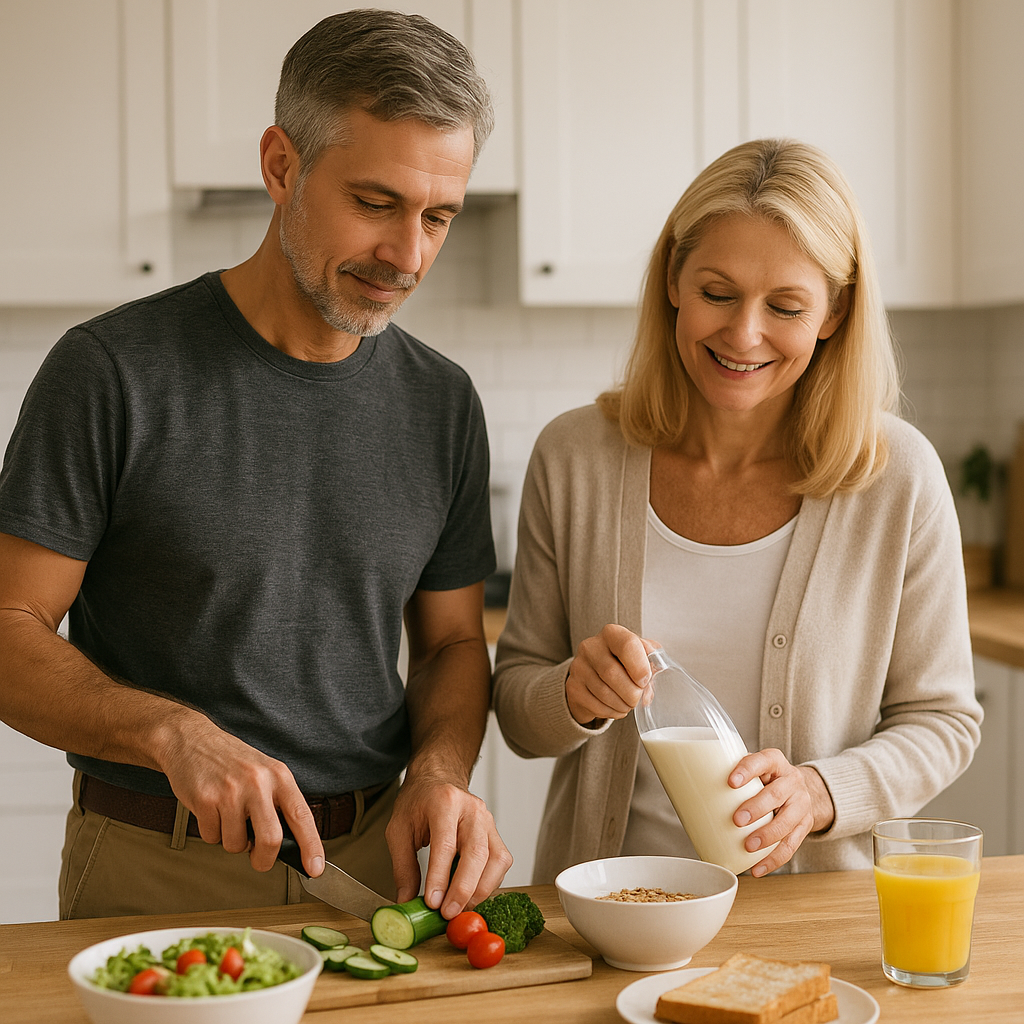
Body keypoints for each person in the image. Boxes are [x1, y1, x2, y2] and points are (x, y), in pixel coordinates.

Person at [0, 9, 512, 919]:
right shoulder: (112, 371)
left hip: (377, 864)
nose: (408, 256)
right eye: (375, 203)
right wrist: (171, 733)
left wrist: (440, 772)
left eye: (438, 216)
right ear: (281, 165)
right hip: (157, 865)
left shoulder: (443, 402)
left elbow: (452, 645)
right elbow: (10, 627)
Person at [492, 138, 983, 883]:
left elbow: (944, 721)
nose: (744, 334)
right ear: (673, 279)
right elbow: (516, 703)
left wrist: (821, 792)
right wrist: (571, 694)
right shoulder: (575, 457)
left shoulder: (897, 477)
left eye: (785, 306)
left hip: (809, 916)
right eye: (718, 293)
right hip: (610, 909)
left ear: (833, 311)